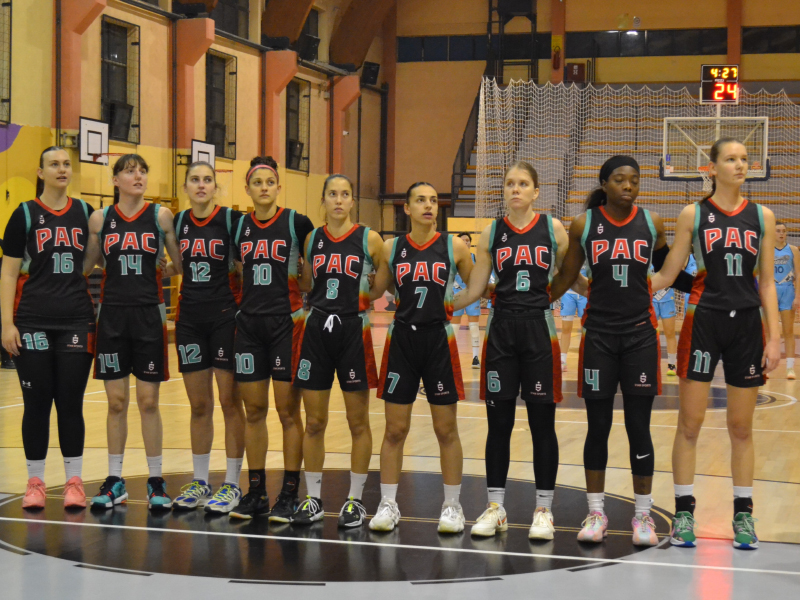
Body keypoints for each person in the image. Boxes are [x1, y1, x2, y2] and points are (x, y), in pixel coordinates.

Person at [551, 155, 694, 547]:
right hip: (598, 336)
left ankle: (643, 515)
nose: (628, 186)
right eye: (619, 179)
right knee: (597, 427)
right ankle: (596, 512)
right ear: (604, 184)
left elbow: (669, 269)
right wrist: (534, 302)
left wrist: (706, 283)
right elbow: (567, 275)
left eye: (634, 179)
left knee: (638, 427)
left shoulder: (651, 222)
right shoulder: (585, 224)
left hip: (639, 337)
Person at [651, 138, 781, 550]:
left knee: (741, 427)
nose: (740, 165)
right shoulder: (693, 214)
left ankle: (743, 515)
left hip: (747, 325)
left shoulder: (762, 216)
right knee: (689, 424)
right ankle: (683, 513)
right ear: (712, 168)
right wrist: (620, 290)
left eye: (744, 159)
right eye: (731, 159)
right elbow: (668, 273)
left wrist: (776, 338)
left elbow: (766, 282)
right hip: (702, 320)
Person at [455, 161, 568, 540]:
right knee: (498, 424)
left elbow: (569, 276)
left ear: (536, 191)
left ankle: (544, 510)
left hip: (539, 329)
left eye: (523, 184)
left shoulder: (553, 229)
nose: (515, 189)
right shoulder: (492, 232)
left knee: (542, 425)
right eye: (509, 184)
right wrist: (442, 304)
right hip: (501, 331)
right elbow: (475, 287)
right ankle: (495, 507)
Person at [367, 183, 474, 533]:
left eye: (433, 200)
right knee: (395, 429)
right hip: (402, 340)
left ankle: (452, 506)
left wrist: (451, 305)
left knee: (446, 429)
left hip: (438, 340)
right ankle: (388, 504)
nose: (429, 206)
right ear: (407, 208)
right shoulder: (392, 247)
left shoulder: (454, 246)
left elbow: (475, 286)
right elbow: (381, 288)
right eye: (420, 200)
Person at [85, 154, 183, 510]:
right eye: (130, 171)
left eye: (143, 171)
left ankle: (156, 481)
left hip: (148, 315)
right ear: (115, 180)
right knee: (116, 402)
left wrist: (162, 270)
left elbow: (179, 263)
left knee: (148, 401)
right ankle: (115, 480)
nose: (138, 176)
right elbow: (89, 263)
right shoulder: (101, 219)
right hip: (111, 315)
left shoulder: (160, 216)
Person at [0, 146, 95, 509]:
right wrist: (6, 324)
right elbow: (8, 273)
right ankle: (35, 482)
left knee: (70, 403)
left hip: (76, 320)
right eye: (54, 164)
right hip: (32, 321)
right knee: (36, 403)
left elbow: (94, 260)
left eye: (66, 164)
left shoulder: (85, 212)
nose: (61, 169)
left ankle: (74, 482)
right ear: (40, 172)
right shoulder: (24, 214)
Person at [292, 174, 384, 527]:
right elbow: (307, 283)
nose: (339, 200)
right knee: (314, 421)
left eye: (346, 194)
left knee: (357, 421)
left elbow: (382, 285)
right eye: (333, 194)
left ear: (352, 201)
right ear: (324, 200)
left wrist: (368, 293)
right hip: (317, 328)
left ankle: (355, 500)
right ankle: (313, 498)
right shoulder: (312, 239)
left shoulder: (369, 238)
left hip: (352, 329)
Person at [226, 157, 314, 520]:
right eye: (257, 182)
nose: (263, 187)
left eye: (269, 182)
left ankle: (289, 492)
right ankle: (257, 491)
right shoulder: (239, 227)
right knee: (254, 411)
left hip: (286, 324)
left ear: (279, 187)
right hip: (249, 326)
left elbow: (310, 275)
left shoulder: (297, 223)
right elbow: (237, 272)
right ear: (247, 189)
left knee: (287, 411)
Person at [167, 162, 246, 513]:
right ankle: (200, 480)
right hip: (189, 320)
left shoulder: (230, 220)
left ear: (216, 186)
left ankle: (232, 483)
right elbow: (176, 264)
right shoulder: (178, 222)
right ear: (185, 186)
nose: (201, 185)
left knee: (230, 403)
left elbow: (244, 265)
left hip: (225, 317)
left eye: (207, 180)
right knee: (199, 406)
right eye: (195, 180)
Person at [452, 232, 481, 368]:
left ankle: (475, 358)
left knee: (474, 326)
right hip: (456, 294)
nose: (465, 242)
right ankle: (451, 357)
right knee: (454, 327)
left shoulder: (474, 258)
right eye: (463, 240)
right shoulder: (453, 258)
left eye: (468, 240)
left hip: (471, 294)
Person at [774, 221, 799, 379]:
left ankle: (790, 368)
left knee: (788, 331)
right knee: (768, 331)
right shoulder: (766, 250)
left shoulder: (793, 250)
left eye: (784, 231)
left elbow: (799, 273)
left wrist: (798, 296)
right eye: (778, 231)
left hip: (788, 289)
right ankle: (766, 366)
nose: (782, 233)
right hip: (771, 289)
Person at [651, 264, 679, 376]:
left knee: (670, 333)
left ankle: (671, 365)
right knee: (650, 334)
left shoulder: (668, 260)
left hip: (668, 301)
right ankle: (650, 363)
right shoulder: (647, 259)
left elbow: (674, 277)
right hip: (651, 301)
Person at [559, 262, 588, 371]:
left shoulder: (589, 253)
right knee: (566, 328)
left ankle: (586, 358)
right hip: (568, 293)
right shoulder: (569, 253)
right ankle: (562, 359)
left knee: (585, 329)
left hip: (584, 293)